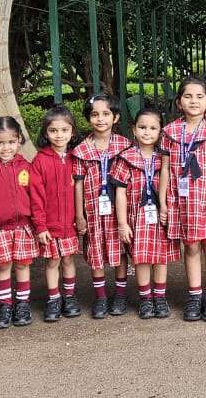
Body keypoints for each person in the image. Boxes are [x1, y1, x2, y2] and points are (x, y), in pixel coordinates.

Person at [160, 76, 206, 322]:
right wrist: (163, 202)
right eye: (188, 96)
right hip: (182, 199)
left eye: (200, 96)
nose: (194, 101)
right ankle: (194, 294)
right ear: (179, 102)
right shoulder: (169, 132)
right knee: (190, 246)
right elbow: (165, 169)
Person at [114, 108, 180, 319]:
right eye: (142, 127)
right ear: (134, 130)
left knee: (160, 258)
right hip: (137, 218)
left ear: (160, 132)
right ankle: (145, 298)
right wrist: (122, 223)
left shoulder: (164, 159)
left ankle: (159, 297)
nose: (147, 132)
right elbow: (120, 193)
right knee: (140, 258)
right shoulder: (125, 158)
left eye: (153, 128)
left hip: (161, 216)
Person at [72, 94, 131, 319]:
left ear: (115, 118)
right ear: (88, 118)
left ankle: (120, 295)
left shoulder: (125, 146)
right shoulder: (81, 151)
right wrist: (80, 215)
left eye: (106, 114)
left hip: (119, 211)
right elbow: (78, 184)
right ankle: (100, 297)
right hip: (93, 211)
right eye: (95, 114)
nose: (100, 119)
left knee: (120, 251)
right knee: (96, 250)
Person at [0, 117, 37, 329]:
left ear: (19, 140)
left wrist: (38, 225)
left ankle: (22, 304)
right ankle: (5, 305)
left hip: (23, 227)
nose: (6, 148)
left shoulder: (27, 167)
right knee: (3, 267)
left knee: (22, 265)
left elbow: (36, 198)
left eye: (11, 142)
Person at [29, 105, 84, 321]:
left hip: (70, 224)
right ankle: (53, 298)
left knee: (68, 260)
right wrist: (40, 226)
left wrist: (81, 218)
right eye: (53, 130)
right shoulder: (40, 161)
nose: (59, 135)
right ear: (46, 133)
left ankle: (69, 297)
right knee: (53, 261)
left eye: (64, 130)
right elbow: (36, 197)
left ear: (72, 132)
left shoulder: (77, 158)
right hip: (50, 225)